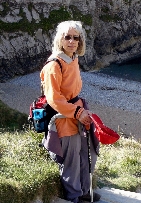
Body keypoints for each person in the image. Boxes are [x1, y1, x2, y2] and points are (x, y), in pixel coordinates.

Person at [40, 20, 101, 203]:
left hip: (75, 113)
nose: (72, 41)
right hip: (63, 118)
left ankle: (84, 192)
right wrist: (77, 112)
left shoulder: (73, 59)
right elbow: (54, 99)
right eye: (67, 37)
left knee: (83, 154)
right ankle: (74, 197)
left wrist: (80, 112)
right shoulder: (54, 65)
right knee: (71, 160)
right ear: (61, 39)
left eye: (76, 37)